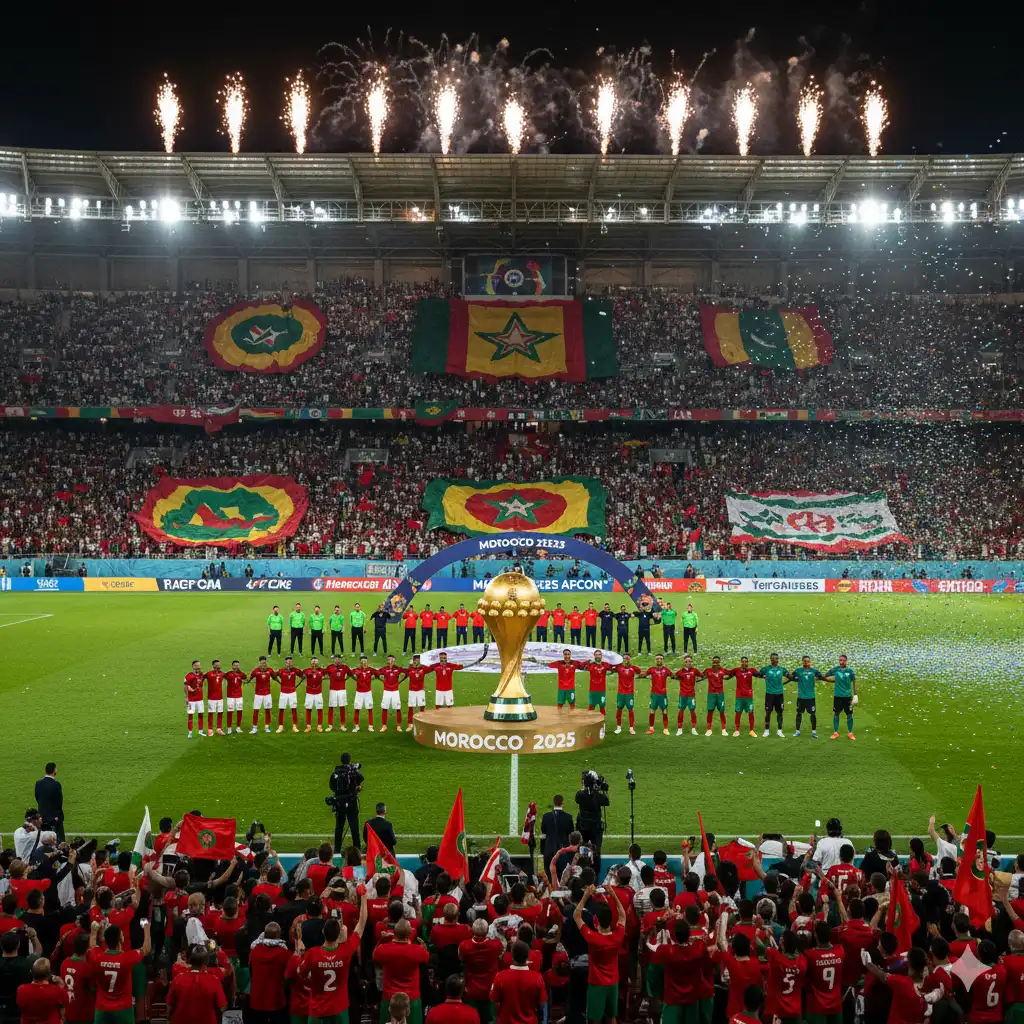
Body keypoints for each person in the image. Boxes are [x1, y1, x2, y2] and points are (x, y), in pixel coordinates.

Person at [301, 888, 368, 1023]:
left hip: (317, 1011)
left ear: (323, 932)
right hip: (339, 1010)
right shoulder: (346, 950)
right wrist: (363, 896)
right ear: (339, 934)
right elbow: (361, 924)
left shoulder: (311, 954)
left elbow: (302, 974)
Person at [574, 884, 625, 1024]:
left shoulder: (593, 938)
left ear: (596, 921)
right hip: (613, 983)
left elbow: (576, 916)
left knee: (594, 1020)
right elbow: (622, 915)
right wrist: (613, 894)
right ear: (611, 921)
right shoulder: (618, 936)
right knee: (611, 1017)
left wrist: (585, 896)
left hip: (597, 984)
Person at [86, 918, 152, 1024]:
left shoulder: (97, 957)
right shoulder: (126, 958)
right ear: (120, 940)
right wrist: (147, 928)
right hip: (123, 1010)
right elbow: (146, 949)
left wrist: (94, 931)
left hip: (102, 1009)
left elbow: (92, 945)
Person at [373, 918, 430, 1024]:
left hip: (390, 998)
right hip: (412, 999)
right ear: (409, 934)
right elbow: (426, 958)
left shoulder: (384, 949)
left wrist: (383, 940)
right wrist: (424, 947)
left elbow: (375, 956)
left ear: (394, 933)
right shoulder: (417, 950)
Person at [490, 940, 548, 1024]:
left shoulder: (500, 976)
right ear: (527, 956)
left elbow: (495, 1001)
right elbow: (542, 1004)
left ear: (512, 956)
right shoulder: (537, 978)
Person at [166, 946, 226, 1024]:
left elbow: (169, 1006)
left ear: (190, 960)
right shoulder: (214, 980)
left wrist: (168, 1019)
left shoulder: (178, 979)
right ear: (206, 962)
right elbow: (222, 1007)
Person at [460, 918, 504, 1024]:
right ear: (487, 931)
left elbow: (461, 958)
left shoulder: (464, 946)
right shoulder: (495, 945)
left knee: (471, 1019)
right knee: (490, 1019)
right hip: (490, 989)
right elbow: (502, 947)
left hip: (471, 988)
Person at [248, 921, 292, 1023]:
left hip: (257, 999)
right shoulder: (285, 954)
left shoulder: (254, 952)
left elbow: (251, 971)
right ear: (278, 935)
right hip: (277, 1000)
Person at [802, 921, 845, 1024]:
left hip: (816, 1006)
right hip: (836, 1005)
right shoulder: (840, 951)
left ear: (815, 935)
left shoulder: (809, 955)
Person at [16, 957, 68, 1023]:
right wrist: (61, 988)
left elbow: (21, 1009)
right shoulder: (58, 991)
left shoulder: (21, 990)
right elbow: (63, 1015)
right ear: (49, 975)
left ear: (31, 972)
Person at [330, 753, 364, 852]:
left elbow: (331, 785)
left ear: (341, 760)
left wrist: (338, 792)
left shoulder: (336, 772)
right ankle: (357, 850)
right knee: (354, 828)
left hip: (339, 803)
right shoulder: (352, 771)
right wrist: (355, 788)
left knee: (339, 828)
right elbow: (361, 778)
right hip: (351, 803)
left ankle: (337, 850)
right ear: (349, 760)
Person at [60, 933, 96, 1024]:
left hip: (68, 1013)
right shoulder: (87, 967)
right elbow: (94, 991)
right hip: (84, 1016)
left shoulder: (65, 962)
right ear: (87, 950)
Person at [824, 655, 858, 741]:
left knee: (849, 715)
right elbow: (825, 676)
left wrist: (855, 695)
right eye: (840, 660)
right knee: (836, 714)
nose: (841, 662)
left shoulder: (850, 671)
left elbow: (854, 681)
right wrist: (826, 679)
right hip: (837, 696)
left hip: (847, 697)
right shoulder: (835, 670)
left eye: (843, 660)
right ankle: (835, 732)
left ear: (846, 661)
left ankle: (850, 733)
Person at [724, 656, 759, 739]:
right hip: (739, 696)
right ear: (741, 662)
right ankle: (737, 730)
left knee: (751, 713)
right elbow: (729, 674)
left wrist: (766, 675)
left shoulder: (752, 671)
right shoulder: (736, 670)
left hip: (749, 697)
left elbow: (760, 675)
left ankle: (751, 730)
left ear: (747, 662)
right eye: (743, 661)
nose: (744, 663)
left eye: (746, 661)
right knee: (738, 713)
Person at [791, 656, 824, 738]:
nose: (806, 663)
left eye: (808, 661)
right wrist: (795, 678)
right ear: (802, 662)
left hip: (810, 697)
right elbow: (791, 676)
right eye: (805, 661)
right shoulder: (798, 671)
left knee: (812, 714)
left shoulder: (814, 671)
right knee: (799, 713)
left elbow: (821, 676)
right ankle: (797, 731)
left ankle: (814, 732)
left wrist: (820, 678)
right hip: (801, 697)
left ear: (810, 662)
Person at [540, 796, 575, 871]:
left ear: (554, 803)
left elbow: (543, 834)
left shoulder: (546, 817)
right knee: (562, 876)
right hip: (563, 851)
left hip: (549, 851)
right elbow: (571, 836)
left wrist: (543, 850)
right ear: (562, 803)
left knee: (549, 875)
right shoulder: (568, 817)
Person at [760, 653, 790, 738]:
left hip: (779, 694)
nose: (775, 660)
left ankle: (779, 730)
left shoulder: (782, 669)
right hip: (769, 694)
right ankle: (766, 730)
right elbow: (759, 674)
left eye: (776, 658)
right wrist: (763, 676)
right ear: (770, 659)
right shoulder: (765, 669)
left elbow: (790, 677)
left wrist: (783, 683)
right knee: (768, 712)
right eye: (773, 658)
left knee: (780, 713)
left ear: (778, 659)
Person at [377, 654, 408, 733]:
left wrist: (400, 681)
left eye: (392, 660)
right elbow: (377, 674)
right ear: (387, 661)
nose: (390, 661)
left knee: (398, 708)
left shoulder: (398, 669)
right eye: (389, 660)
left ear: (394, 661)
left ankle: (399, 726)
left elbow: (407, 673)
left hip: (395, 691)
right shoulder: (384, 669)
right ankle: (384, 726)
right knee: (384, 708)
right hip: (386, 691)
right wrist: (383, 681)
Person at [642, 655, 671, 734]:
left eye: (660, 659)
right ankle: (651, 728)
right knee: (652, 711)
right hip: (654, 694)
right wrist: (641, 675)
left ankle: (665, 729)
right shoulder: (652, 669)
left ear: (662, 660)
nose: (659, 660)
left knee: (664, 711)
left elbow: (673, 676)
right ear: (655, 660)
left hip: (663, 694)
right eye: (657, 659)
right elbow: (644, 675)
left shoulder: (666, 670)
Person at [33, 765, 63, 843]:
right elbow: (59, 803)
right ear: (54, 771)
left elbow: (37, 798)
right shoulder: (56, 785)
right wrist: (56, 817)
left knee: (42, 841)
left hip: (42, 818)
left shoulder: (38, 783)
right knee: (58, 842)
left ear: (45, 771)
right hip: (53, 819)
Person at [700, 656, 728, 737]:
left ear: (719, 663)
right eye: (714, 662)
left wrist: (728, 677)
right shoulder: (708, 671)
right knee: (710, 711)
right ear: (712, 662)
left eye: (717, 662)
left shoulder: (723, 670)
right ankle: (709, 729)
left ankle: (724, 730)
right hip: (711, 694)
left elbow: (731, 673)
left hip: (720, 694)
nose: (715, 664)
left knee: (722, 711)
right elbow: (701, 676)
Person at [611, 654, 639, 734]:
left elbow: (639, 672)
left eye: (627, 658)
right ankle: (618, 727)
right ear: (622, 659)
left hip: (629, 693)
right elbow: (611, 668)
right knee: (619, 709)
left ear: (630, 659)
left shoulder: (633, 668)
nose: (626, 659)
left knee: (630, 710)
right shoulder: (619, 667)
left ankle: (631, 728)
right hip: (621, 693)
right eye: (624, 658)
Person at [249, 654, 276, 734]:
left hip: (267, 694)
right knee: (256, 710)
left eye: (264, 663)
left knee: (267, 710)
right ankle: (254, 728)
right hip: (258, 694)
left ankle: (267, 727)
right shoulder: (255, 671)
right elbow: (249, 679)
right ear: (259, 663)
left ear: (266, 663)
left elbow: (275, 678)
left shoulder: (270, 670)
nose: (263, 664)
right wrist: (248, 681)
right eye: (261, 663)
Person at [674, 655, 699, 736]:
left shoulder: (694, 670)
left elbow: (702, 675)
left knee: (692, 711)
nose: (688, 663)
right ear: (684, 663)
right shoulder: (680, 672)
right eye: (686, 661)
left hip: (691, 695)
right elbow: (674, 677)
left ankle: (694, 729)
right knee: (681, 710)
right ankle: (679, 729)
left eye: (690, 661)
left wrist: (698, 680)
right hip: (683, 695)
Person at [350, 655, 376, 732]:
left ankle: (370, 726)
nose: (364, 663)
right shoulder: (356, 670)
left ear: (367, 662)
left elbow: (377, 674)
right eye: (362, 661)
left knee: (370, 709)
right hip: (359, 693)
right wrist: (355, 679)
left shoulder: (370, 670)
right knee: (357, 709)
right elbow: (350, 674)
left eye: (365, 661)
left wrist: (372, 678)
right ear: (360, 662)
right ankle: (356, 726)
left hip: (368, 692)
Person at [276, 655, 301, 733]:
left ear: (292, 663)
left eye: (290, 662)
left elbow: (303, 675)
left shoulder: (295, 670)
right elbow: (274, 676)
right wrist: (279, 682)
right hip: (283, 692)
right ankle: (280, 726)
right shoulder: (281, 671)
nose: (289, 663)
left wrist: (297, 685)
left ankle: (294, 726)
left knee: (294, 709)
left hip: (292, 692)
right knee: (281, 709)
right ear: (285, 663)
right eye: (288, 662)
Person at [302, 656, 327, 732]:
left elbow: (327, 675)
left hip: (318, 693)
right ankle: (308, 726)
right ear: (311, 662)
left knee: (319, 709)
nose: (314, 663)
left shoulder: (322, 671)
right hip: (309, 693)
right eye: (313, 661)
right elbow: (302, 676)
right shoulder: (306, 671)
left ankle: (319, 726)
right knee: (308, 709)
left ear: (317, 662)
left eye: (315, 661)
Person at [405, 655, 429, 729]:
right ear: (413, 661)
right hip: (412, 691)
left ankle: (422, 722)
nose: (417, 662)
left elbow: (430, 668)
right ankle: (410, 724)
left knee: (422, 707)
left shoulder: (423, 668)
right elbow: (405, 672)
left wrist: (421, 666)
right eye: (415, 660)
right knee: (411, 707)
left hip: (420, 691)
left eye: (418, 660)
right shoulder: (410, 668)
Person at [582, 650, 610, 715]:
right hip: (593, 691)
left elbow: (614, 667)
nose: (598, 656)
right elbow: (581, 666)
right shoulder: (590, 665)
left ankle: (603, 723)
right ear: (594, 656)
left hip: (602, 691)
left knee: (602, 707)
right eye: (596, 655)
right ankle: (590, 723)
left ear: (601, 656)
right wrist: (588, 661)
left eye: (599, 654)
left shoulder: (605, 665)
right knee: (591, 707)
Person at [326, 654, 349, 731]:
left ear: (340, 660)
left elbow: (350, 674)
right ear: (333, 660)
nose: (336, 660)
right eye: (335, 659)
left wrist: (344, 680)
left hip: (342, 690)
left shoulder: (345, 667)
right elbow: (324, 674)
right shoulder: (330, 667)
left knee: (342, 707)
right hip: (333, 690)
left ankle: (342, 725)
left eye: (338, 659)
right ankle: (330, 726)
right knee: (331, 707)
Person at [204, 657, 226, 736]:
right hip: (211, 698)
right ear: (213, 666)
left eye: (219, 665)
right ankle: (210, 729)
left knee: (220, 712)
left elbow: (230, 677)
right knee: (211, 713)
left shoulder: (222, 673)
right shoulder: (208, 674)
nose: (218, 666)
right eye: (216, 665)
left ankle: (219, 729)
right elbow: (200, 678)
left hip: (220, 697)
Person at [183, 659, 205, 739]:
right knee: (190, 715)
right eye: (196, 665)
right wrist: (187, 697)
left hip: (200, 699)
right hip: (191, 700)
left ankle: (201, 731)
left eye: (199, 665)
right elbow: (185, 686)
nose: (198, 667)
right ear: (193, 666)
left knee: (200, 714)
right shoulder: (189, 676)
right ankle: (190, 732)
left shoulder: (202, 675)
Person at [224, 658, 246, 735]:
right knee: (230, 712)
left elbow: (246, 679)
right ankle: (229, 728)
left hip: (239, 696)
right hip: (230, 696)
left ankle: (238, 728)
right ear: (232, 666)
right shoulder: (228, 674)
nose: (236, 667)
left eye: (237, 665)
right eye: (235, 665)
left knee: (239, 711)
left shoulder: (241, 674)